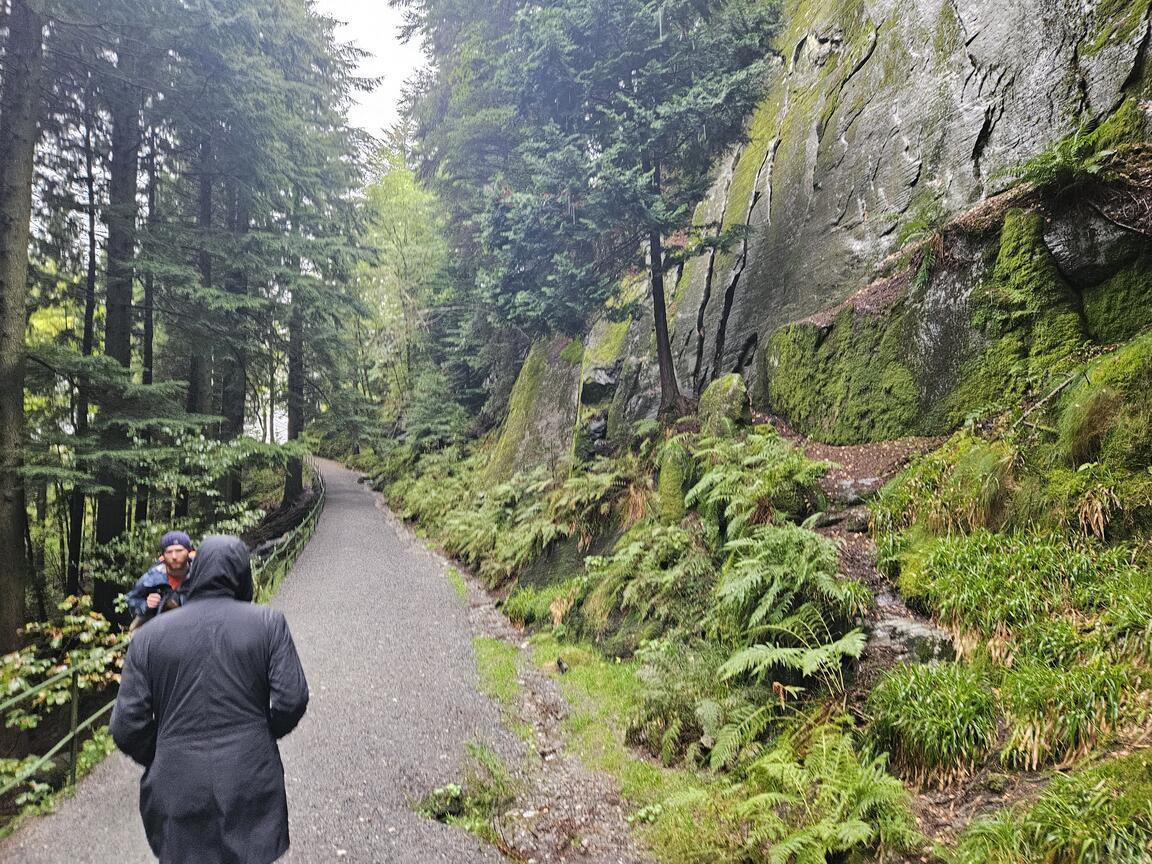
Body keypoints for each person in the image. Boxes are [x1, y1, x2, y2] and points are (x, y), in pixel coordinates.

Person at [110, 535, 309, 864]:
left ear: (195, 570)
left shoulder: (148, 637)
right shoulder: (268, 624)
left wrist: (163, 752)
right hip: (250, 774)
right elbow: (292, 698)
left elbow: (126, 725)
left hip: (176, 781)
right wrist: (261, 734)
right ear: (243, 574)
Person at [125, 531, 194, 628]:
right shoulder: (152, 577)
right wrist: (146, 605)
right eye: (169, 552)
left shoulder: (200, 574)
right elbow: (131, 600)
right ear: (163, 555)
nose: (174, 556)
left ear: (188, 551)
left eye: (179, 551)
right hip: (158, 629)